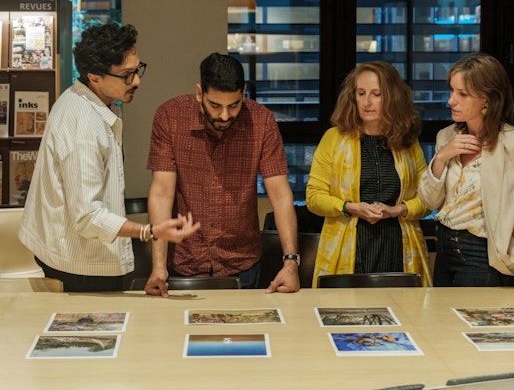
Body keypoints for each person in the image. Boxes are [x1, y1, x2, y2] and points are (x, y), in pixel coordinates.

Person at [18, 23, 199, 292]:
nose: (136, 81)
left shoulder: (84, 97)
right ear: (95, 77)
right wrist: (149, 232)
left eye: (137, 70)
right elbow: (87, 216)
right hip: (78, 263)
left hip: (73, 251)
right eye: (127, 75)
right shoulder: (85, 128)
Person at [145, 52, 300, 297]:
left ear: (244, 92)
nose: (225, 115)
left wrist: (291, 262)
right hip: (184, 260)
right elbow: (162, 193)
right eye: (215, 105)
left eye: (234, 105)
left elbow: (280, 196)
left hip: (242, 262)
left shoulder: (262, 122)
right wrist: (158, 266)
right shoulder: (170, 117)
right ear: (199, 93)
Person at [418, 52, 514, 287]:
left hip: (484, 253)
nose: (451, 100)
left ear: (487, 100)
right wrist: (441, 157)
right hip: (444, 248)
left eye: (462, 94)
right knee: (443, 320)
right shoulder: (446, 136)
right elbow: (429, 201)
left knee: (470, 321)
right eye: (452, 91)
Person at [306, 61, 432, 287]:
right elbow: (313, 198)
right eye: (361, 93)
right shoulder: (334, 138)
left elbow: (427, 200)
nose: (366, 102)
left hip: (399, 249)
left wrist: (398, 210)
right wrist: (349, 207)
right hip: (346, 250)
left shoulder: (408, 143)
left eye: (376, 94)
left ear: (392, 98)